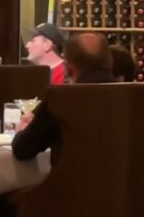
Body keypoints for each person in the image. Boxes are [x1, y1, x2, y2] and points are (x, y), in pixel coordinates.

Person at [12, 33, 115, 163]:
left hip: (71, 183)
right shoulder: (138, 100)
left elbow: (23, 150)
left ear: (69, 67)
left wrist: (23, 130)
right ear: (111, 62)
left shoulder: (60, 101)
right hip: (131, 183)